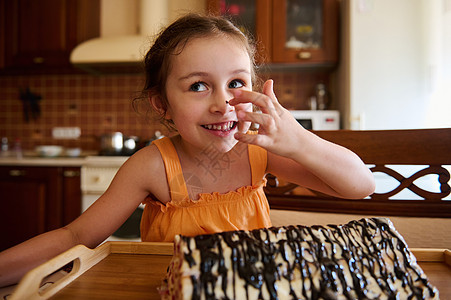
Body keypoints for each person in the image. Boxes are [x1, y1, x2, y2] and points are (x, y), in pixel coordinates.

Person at [0, 13, 375, 287]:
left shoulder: (259, 150)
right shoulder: (151, 166)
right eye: (198, 86)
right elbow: (75, 237)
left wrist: (300, 140)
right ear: (162, 103)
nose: (222, 103)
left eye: (237, 82)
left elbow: (360, 185)